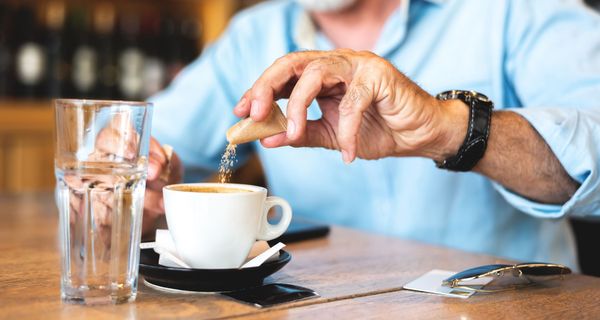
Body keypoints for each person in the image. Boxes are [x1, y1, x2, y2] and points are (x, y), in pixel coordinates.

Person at [146, 0, 600, 269]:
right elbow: (137, 145)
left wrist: (447, 128)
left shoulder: (517, 10)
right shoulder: (253, 35)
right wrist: (131, 169)